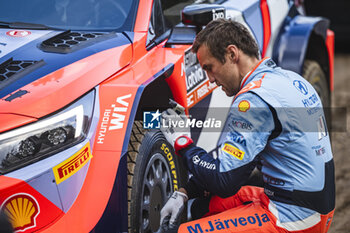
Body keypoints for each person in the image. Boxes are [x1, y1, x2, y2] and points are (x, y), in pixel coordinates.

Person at [159, 19, 335, 233]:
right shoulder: (289, 79)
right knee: (200, 208)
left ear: (232, 54)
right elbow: (236, 166)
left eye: (210, 68)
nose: (210, 79)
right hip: (309, 205)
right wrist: (185, 192)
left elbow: (225, 180)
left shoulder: (253, 100)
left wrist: (182, 143)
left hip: (293, 217)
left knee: (177, 231)